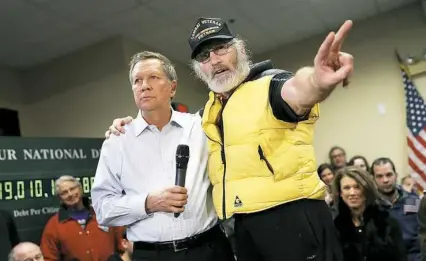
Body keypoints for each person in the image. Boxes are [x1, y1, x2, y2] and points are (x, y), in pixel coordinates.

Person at [105, 17, 354, 261]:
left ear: (240, 49)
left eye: (221, 48)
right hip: (243, 226)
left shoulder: (269, 85)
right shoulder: (208, 114)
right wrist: (130, 125)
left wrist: (317, 82)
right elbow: (169, 123)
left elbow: (298, 91)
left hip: (293, 217)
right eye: (204, 56)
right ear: (199, 69)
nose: (214, 61)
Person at [91, 51, 235, 261]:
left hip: (209, 249)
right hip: (152, 256)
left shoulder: (201, 127)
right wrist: (149, 203)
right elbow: (103, 209)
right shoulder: (117, 142)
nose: (144, 86)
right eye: (137, 81)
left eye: (153, 78)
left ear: (172, 88)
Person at [40, 175, 124, 261]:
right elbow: (50, 257)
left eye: (72, 189)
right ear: (59, 198)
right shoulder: (53, 226)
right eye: (64, 193)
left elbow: (124, 245)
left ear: (80, 189)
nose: (70, 194)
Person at [332, 166, 406, 261]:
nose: (352, 193)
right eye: (346, 188)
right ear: (340, 193)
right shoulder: (335, 227)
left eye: (357, 187)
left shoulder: (386, 222)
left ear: (366, 190)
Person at [371, 158, 421, 261]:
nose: (385, 180)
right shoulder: (370, 207)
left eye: (389, 175)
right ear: (373, 179)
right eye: (379, 176)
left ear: (396, 176)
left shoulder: (414, 201)